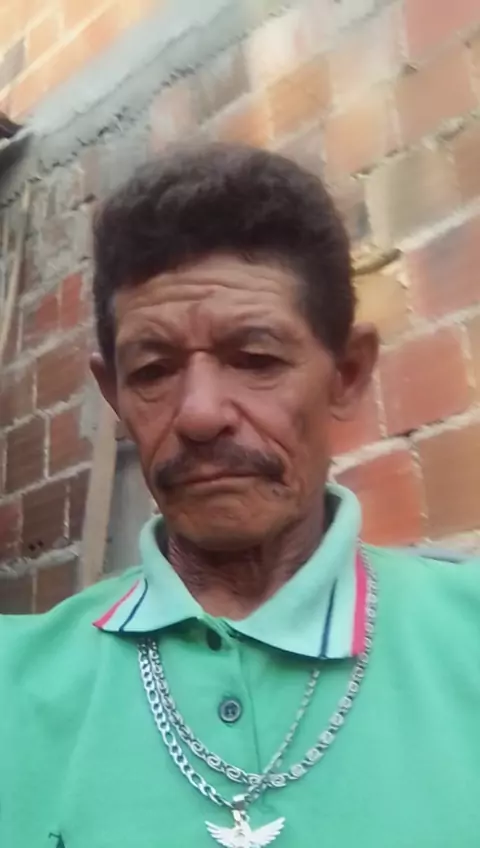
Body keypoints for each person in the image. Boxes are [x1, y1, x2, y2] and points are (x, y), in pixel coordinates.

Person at [1, 143, 479, 848]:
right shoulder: (14, 689)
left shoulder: (465, 635)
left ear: (346, 375)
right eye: (153, 370)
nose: (199, 414)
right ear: (115, 394)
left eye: (255, 359)